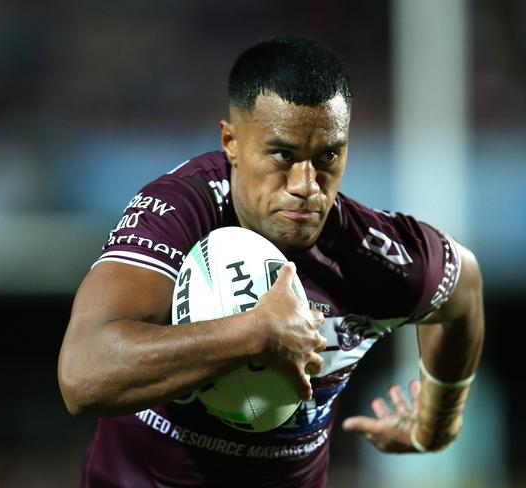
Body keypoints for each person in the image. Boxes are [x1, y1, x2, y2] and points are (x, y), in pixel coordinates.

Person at [58, 36, 484, 487]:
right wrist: (255, 333)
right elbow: (84, 376)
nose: (305, 185)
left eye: (328, 157)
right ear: (232, 142)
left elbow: (464, 287)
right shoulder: (180, 211)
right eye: (283, 154)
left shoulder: (373, 256)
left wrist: (437, 421)